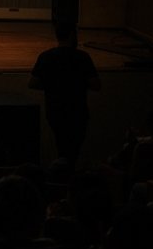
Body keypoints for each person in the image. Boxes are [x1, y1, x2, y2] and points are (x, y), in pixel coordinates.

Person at [29, 22, 101, 165]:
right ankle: (68, 177)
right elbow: (96, 85)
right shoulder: (83, 57)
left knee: (61, 146)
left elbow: (33, 83)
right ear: (72, 35)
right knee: (73, 150)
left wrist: (52, 85)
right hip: (78, 111)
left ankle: (61, 174)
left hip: (55, 110)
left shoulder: (45, 56)